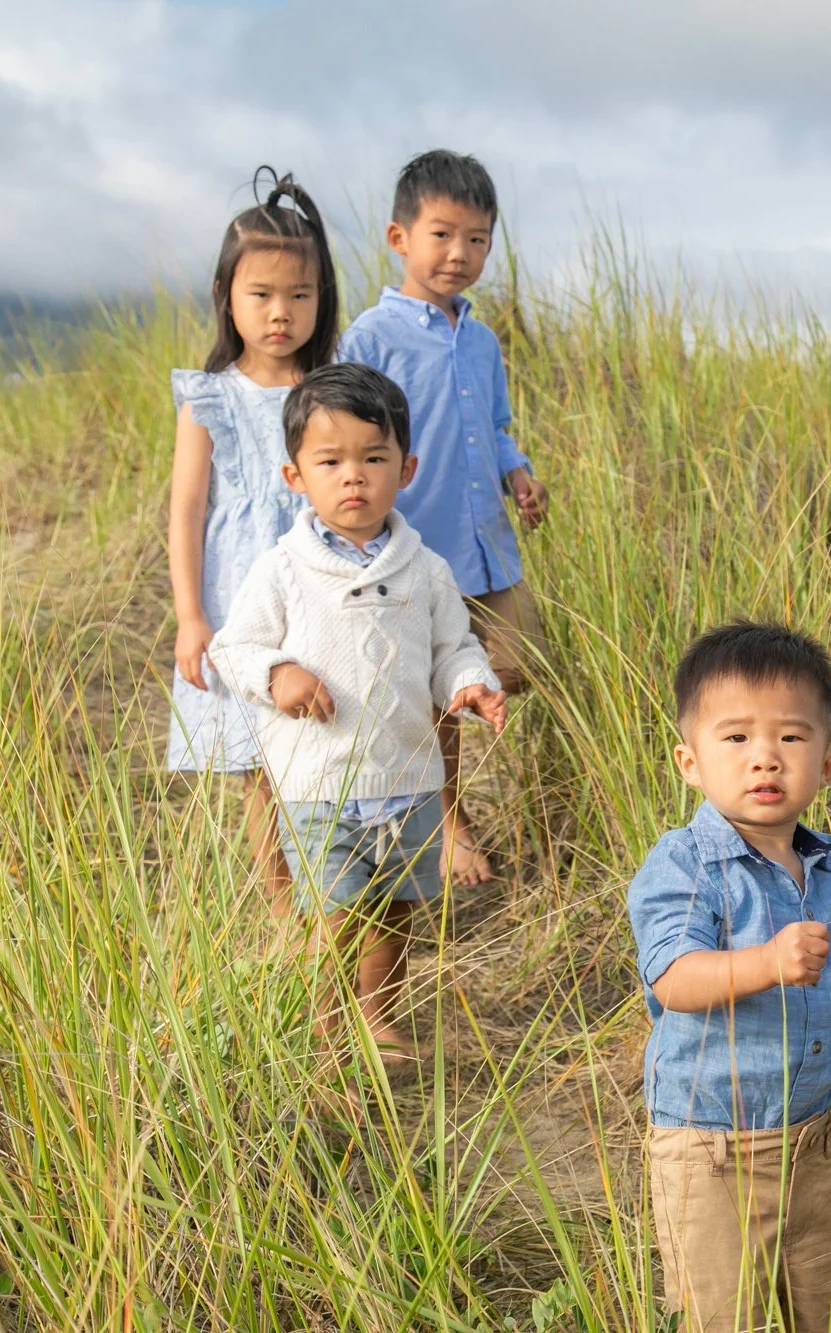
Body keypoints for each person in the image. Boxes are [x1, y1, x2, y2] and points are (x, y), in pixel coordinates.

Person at [627, 623, 831, 1333]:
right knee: (724, 1318)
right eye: (736, 737)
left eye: (791, 737)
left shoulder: (828, 863)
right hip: (712, 1150)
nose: (765, 757)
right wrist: (766, 962)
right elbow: (674, 978)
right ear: (690, 761)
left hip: (815, 1140)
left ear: (828, 762)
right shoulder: (685, 864)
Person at [209, 363, 506, 1065]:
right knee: (337, 916)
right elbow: (233, 648)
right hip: (320, 783)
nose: (354, 477)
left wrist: (470, 683)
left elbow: (453, 648)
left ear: (406, 469)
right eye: (331, 461)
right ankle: (327, 1034)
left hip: (407, 777)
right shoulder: (284, 568)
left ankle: (381, 1017)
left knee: (395, 913)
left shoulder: (425, 569)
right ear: (295, 476)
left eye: (373, 459)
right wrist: (277, 673)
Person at [338, 149, 549, 889]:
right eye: (442, 235)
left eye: (477, 239)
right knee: (439, 696)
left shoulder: (482, 340)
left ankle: (447, 791)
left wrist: (517, 472)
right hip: (419, 554)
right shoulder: (373, 336)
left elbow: (495, 425)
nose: (460, 253)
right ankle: (448, 820)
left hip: (488, 546)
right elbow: (349, 437)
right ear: (400, 239)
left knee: (518, 663)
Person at [166, 168, 339, 920]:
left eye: (299, 295)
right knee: (259, 768)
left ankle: (340, 900)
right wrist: (190, 617)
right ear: (226, 295)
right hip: (240, 601)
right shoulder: (210, 397)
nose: (280, 313)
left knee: (330, 750)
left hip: (320, 591)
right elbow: (186, 510)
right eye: (261, 294)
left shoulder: (332, 389)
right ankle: (282, 915)